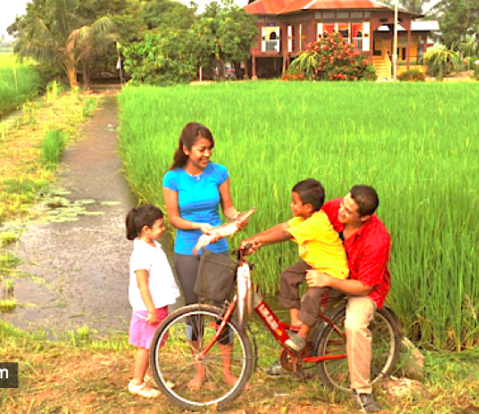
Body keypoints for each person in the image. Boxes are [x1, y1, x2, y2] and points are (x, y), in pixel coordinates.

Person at [162, 122, 247, 388]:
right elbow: (174, 218)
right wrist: (198, 225)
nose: (207, 154)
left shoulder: (219, 172)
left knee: (221, 311)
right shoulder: (173, 177)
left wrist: (237, 219)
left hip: (217, 248)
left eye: (210, 148)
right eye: (201, 149)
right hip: (187, 249)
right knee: (193, 310)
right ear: (186, 150)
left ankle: (227, 372)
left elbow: (229, 208)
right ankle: (199, 369)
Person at [306, 185, 391, 413]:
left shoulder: (377, 239)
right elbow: (303, 227)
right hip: (336, 271)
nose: (340, 210)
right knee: (301, 287)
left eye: (348, 210)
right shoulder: (336, 207)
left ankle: (362, 391)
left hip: (362, 287)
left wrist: (328, 280)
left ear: (364, 217)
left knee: (354, 325)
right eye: (343, 203)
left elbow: (364, 286)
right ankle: (297, 351)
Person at [239, 178, 348, 352]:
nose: (291, 205)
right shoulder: (304, 218)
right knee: (288, 275)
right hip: (316, 264)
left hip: (332, 271)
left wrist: (258, 240)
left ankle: (302, 335)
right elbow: (283, 226)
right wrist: (254, 240)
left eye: (295, 202)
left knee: (313, 294)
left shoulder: (316, 223)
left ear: (308, 208)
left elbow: (284, 234)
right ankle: (296, 322)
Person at [126, 204, 180, 399]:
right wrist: (150, 309)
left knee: (154, 342)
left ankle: (149, 375)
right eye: (160, 226)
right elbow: (142, 285)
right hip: (148, 308)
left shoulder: (153, 246)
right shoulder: (141, 253)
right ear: (145, 229)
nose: (163, 229)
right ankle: (137, 383)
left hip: (158, 304)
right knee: (146, 345)